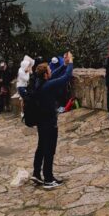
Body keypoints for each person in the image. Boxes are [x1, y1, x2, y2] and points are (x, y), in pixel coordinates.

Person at [31, 51, 74, 190]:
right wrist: (71, 63)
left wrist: (64, 64)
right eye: (49, 69)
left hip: (41, 122)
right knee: (50, 150)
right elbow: (66, 77)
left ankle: (37, 173)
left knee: (42, 147)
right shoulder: (47, 86)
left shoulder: (39, 83)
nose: (51, 70)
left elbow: (54, 75)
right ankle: (48, 179)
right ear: (45, 75)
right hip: (49, 123)